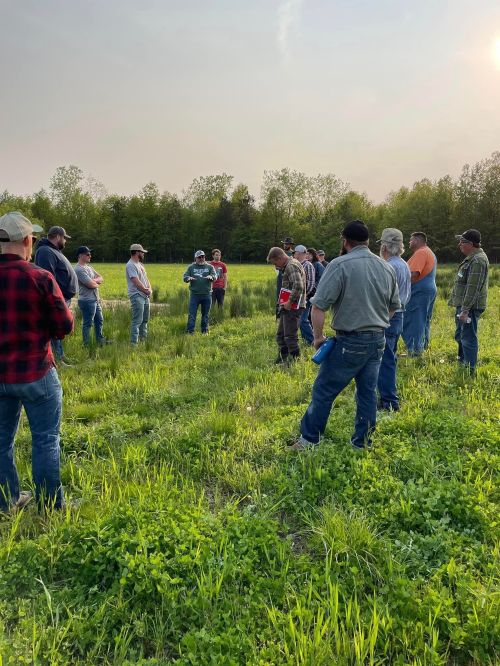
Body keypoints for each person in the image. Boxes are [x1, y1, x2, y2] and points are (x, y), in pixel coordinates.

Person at [289, 220, 400, 451]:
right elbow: (393, 307)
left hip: (350, 340)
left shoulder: (340, 264)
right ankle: (362, 443)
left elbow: (318, 307)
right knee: (368, 393)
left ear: (345, 241)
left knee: (324, 389)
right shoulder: (386, 266)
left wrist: (318, 338)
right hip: (378, 339)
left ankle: (309, 440)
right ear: (368, 241)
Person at [0, 212, 73, 512]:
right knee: (45, 440)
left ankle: (7, 502)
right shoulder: (40, 278)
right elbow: (64, 327)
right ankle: (50, 506)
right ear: (28, 240)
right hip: (36, 372)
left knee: (2, 441)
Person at [376, 228, 411, 411]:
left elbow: (385, 298)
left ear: (385, 247)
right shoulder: (403, 264)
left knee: (386, 360)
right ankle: (386, 397)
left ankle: (389, 401)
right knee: (390, 357)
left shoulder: (389, 266)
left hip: (390, 316)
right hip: (399, 315)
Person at [34, 225, 77, 366]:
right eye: (64, 238)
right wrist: (56, 297)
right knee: (54, 329)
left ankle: (60, 357)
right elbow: (48, 277)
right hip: (57, 298)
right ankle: (56, 361)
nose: (65, 241)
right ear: (58, 236)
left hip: (63, 297)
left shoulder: (52, 250)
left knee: (57, 330)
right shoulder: (45, 251)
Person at [448, 229, 489, 372]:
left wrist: (465, 310)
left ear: (470, 244)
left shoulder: (477, 260)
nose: (459, 244)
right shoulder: (472, 258)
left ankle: (469, 368)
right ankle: (462, 361)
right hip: (464, 306)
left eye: (462, 242)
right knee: (461, 335)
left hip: (469, 307)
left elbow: (472, 289)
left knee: (468, 337)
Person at [267, 247, 306, 364]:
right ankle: (282, 358)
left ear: (279, 258)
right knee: (281, 335)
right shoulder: (290, 264)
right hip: (287, 306)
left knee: (290, 336)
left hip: (293, 307)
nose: (275, 266)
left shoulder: (291, 266)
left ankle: (296, 361)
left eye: (275, 262)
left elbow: (298, 286)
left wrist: (289, 302)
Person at [402, 232, 437, 356]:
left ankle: (415, 351)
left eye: (410, 240)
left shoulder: (421, 252)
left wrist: (400, 285)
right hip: (427, 290)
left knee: (414, 320)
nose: (409, 242)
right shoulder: (429, 251)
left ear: (416, 240)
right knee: (423, 320)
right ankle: (422, 347)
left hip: (419, 291)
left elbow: (414, 273)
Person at [74, 246, 109, 347]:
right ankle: (87, 345)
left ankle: (100, 341)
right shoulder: (78, 269)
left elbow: (101, 277)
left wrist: (93, 281)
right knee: (88, 323)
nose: (90, 256)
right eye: (87, 254)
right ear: (80, 256)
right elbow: (91, 285)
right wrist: (94, 282)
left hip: (95, 300)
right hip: (87, 301)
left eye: (90, 254)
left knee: (99, 320)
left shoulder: (89, 267)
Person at [183, 250, 217, 334]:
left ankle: (204, 331)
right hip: (194, 295)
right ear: (195, 258)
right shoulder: (191, 267)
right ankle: (190, 332)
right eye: (199, 257)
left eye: (203, 257)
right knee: (192, 315)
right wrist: (188, 278)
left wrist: (211, 277)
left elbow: (215, 276)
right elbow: (185, 276)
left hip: (207, 294)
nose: (201, 258)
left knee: (205, 315)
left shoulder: (210, 267)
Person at [126, 244, 151, 345]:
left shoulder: (140, 265)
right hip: (137, 296)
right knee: (137, 321)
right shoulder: (130, 265)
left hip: (145, 296)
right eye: (142, 252)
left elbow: (145, 279)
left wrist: (150, 289)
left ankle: (143, 341)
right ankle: (134, 344)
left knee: (145, 320)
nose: (143, 254)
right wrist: (145, 290)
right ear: (136, 252)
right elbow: (135, 281)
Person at [293, 245, 315, 345]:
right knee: (298, 319)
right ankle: (304, 339)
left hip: (307, 297)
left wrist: (305, 295)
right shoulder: (296, 264)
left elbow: (310, 282)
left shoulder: (307, 265)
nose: (295, 255)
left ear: (301, 254)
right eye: (295, 253)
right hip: (299, 296)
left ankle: (312, 341)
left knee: (303, 319)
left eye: (296, 253)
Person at [276, 237, 295, 316]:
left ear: (290, 245)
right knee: (279, 293)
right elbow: (276, 265)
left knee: (287, 292)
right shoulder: (281, 253)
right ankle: (278, 314)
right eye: (284, 244)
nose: (285, 245)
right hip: (280, 274)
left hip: (289, 274)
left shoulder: (293, 253)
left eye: (287, 244)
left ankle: (287, 311)